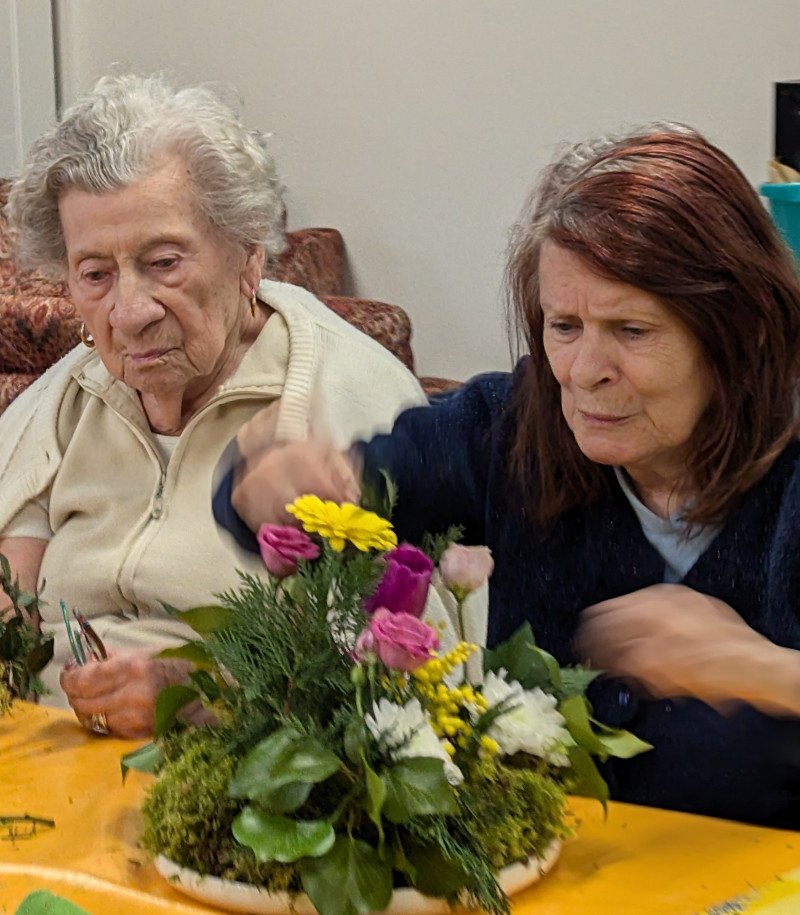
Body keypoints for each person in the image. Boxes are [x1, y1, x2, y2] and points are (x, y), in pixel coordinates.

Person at [218, 124, 800, 828]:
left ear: (745, 332)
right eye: (564, 326)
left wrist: (765, 672)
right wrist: (267, 485)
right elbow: (333, 498)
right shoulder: (512, 426)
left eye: (633, 330)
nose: (585, 372)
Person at [0, 73, 426, 738]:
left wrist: (194, 693)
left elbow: (397, 674)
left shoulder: (349, 400)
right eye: (95, 275)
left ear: (248, 252)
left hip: (239, 767)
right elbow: (12, 583)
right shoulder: (65, 397)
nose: (130, 312)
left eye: (164, 262)